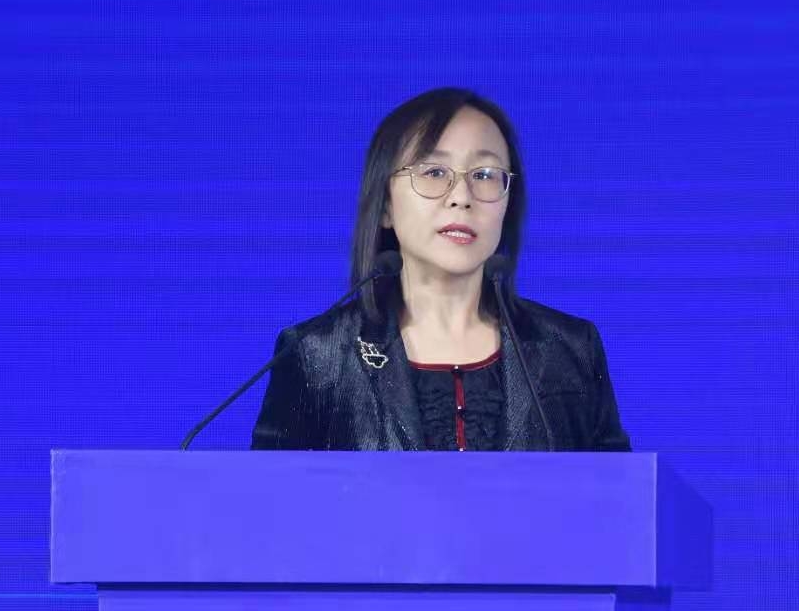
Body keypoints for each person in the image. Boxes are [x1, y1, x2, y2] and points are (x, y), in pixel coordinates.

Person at [250, 87, 630, 452]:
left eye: (484, 175)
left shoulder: (570, 350)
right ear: (385, 205)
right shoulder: (317, 354)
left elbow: (619, 491)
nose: (461, 197)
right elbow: (270, 493)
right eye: (434, 172)